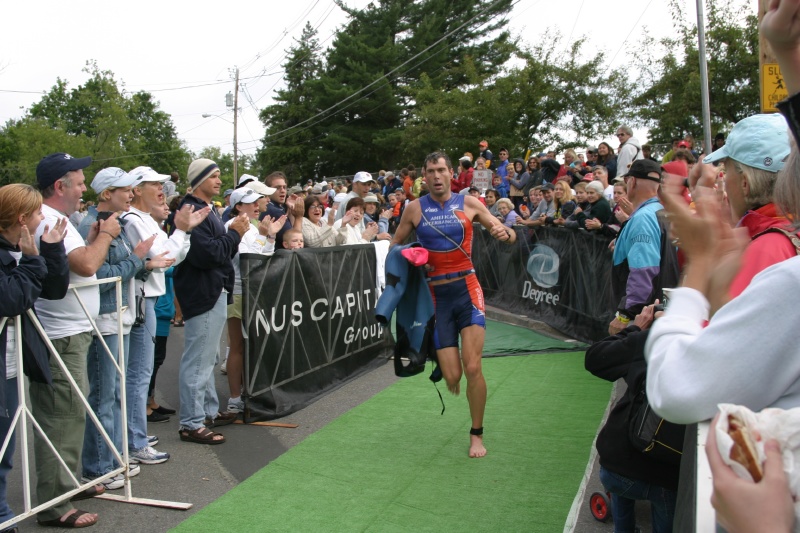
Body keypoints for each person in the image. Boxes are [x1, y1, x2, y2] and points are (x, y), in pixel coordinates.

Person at [391, 151, 516, 458]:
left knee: (473, 366)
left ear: (451, 173)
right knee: (452, 377)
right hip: (436, 296)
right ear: (424, 176)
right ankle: (440, 355)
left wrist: (506, 233)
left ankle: (476, 434)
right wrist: (411, 257)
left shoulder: (470, 203)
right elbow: (395, 246)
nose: (436, 176)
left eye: (441, 170)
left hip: (467, 289)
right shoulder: (414, 208)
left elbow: (508, 233)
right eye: (430, 171)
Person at [32, 152, 114, 528]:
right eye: (79, 183)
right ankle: (55, 504)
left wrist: (94, 238)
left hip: (71, 331)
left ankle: (67, 485)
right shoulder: (47, 218)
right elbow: (86, 264)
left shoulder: (58, 218)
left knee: (70, 413)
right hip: (60, 335)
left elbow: (79, 260)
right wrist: (106, 236)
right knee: (62, 416)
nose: (84, 189)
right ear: (59, 186)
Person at [76, 167, 161, 489]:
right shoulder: (92, 225)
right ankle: (99, 467)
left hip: (119, 316)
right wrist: (138, 259)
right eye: (125, 189)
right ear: (106, 193)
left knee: (113, 392)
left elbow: (120, 267)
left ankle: (111, 458)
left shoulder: (117, 223)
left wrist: (141, 263)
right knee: (103, 393)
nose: (131, 193)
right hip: (104, 318)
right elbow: (97, 275)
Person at [0, 184, 69, 532]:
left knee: (6, 443)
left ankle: (2, 513)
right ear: (21, 218)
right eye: (38, 212)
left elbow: (53, 290)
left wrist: (51, 250)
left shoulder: (23, 248)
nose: (43, 217)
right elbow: (11, 299)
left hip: (13, 361)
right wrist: (30, 260)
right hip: (4, 362)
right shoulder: (14, 254)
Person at [585, 303, 681, 533]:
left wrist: (636, 328)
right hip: (670, 474)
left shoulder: (652, 340)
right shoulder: (713, 346)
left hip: (620, 466)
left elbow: (596, 358)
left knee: (621, 479)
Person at [174, 159, 250, 445]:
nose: (219, 180)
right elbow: (209, 255)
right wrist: (235, 233)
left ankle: (206, 412)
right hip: (202, 291)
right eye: (213, 176)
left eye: (219, 175)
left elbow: (218, 252)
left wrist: (232, 235)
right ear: (199, 180)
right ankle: (191, 423)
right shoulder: (192, 210)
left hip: (213, 289)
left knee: (208, 358)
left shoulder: (206, 209)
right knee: (199, 360)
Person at [700, 113, 793, 301]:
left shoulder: (765, 248)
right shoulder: (788, 230)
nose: (724, 181)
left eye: (726, 171)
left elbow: (724, 318)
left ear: (745, 183)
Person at [224, 188, 285, 415]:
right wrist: (262, 235)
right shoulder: (233, 225)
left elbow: (264, 256)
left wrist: (270, 236)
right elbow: (246, 260)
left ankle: (249, 392)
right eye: (250, 202)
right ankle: (234, 398)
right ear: (238, 206)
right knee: (238, 346)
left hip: (254, 291)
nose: (256, 205)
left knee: (254, 344)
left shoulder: (252, 225)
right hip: (238, 291)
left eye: (256, 201)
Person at [608, 159, 678, 335]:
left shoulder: (643, 218)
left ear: (632, 181)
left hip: (642, 316)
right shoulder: (661, 211)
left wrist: (624, 315)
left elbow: (643, 271)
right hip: (660, 309)